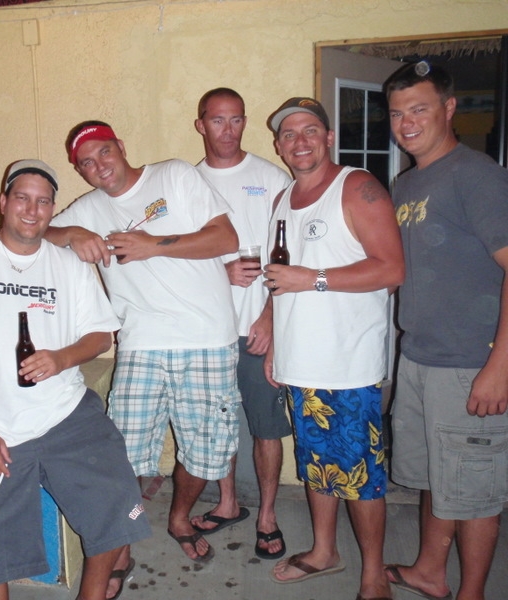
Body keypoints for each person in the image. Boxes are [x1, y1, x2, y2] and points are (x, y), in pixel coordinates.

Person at [0, 159, 151, 600]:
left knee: (116, 501)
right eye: (22, 198)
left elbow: (100, 335)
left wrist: (62, 358)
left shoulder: (68, 266)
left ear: (52, 209)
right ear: (2, 203)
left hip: (65, 413)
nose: (32, 209)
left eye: (43, 201)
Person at [46, 121, 241, 582]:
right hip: (141, 344)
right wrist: (72, 232)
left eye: (104, 152)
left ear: (120, 146)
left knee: (204, 452)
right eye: (86, 163)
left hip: (206, 338)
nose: (99, 166)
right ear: (80, 171)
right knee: (124, 455)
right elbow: (35, 233)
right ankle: (123, 541)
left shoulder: (173, 174)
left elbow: (226, 239)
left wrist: (154, 245)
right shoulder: (90, 208)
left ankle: (179, 517)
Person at [262, 98, 403, 600]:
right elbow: (280, 280)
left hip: (347, 366)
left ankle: (373, 576)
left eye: (309, 130)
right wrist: (274, 338)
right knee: (317, 464)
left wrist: (313, 278)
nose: (299, 141)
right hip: (301, 363)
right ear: (278, 146)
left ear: (328, 137)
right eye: (288, 134)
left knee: (361, 476)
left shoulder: (357, 187)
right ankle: (324, 551)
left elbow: (391, 269)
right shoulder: (283, 199)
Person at [383, 61, 508, 600]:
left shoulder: (477, 175)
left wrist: (499, 366)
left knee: (475, 492)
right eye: (397, 113)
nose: (407, 123)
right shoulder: (407, 183)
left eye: (420, 109)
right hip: (419, 359)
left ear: (449, 108)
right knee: (439, 476)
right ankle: (430, 571)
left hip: (470, 364)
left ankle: (471, 593)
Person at [190, 87, 292, 560]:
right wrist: (219, 271)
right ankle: (228, 502)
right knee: (219, 423)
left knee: (266, 426)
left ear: (245, 123)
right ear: (201, 125)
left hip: (258, 327)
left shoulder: (271, 178)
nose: (227, 130)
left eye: (236, 120)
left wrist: (270, 316)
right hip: (208, 330)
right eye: (217, 120)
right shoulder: (187, 182)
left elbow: (291, 254)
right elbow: (175, 257)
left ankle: (267, 515)